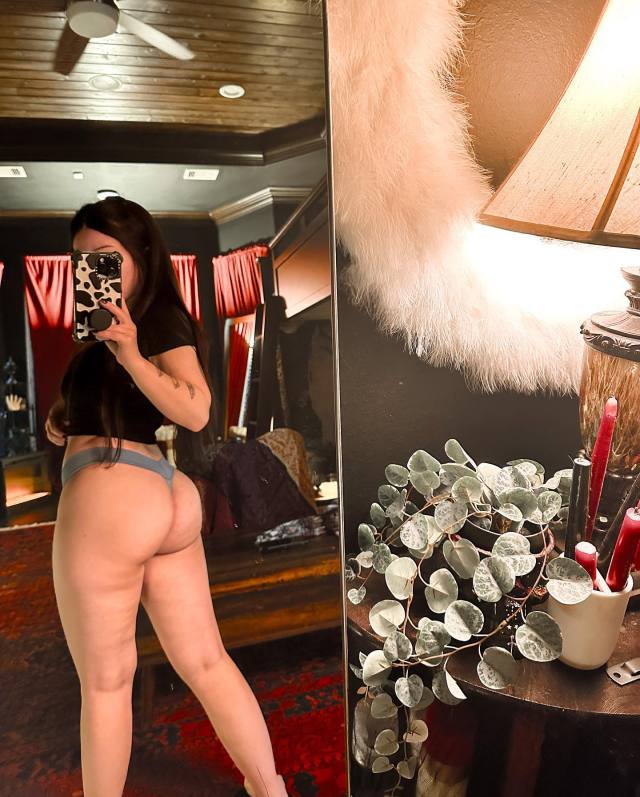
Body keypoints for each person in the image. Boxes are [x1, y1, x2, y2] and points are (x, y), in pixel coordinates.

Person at [46, 197, 288, 797]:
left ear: (141, 254)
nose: (90, 268)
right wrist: (65, 416)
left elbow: (196, 410)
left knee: (106, 683)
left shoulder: (152, 322)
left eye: (105, 257)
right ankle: (271, 791)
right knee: (206, 662)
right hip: (161, 495)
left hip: (113, 496)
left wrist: (129, 353)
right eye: (80, 258)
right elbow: (115, 407)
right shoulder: (115, 326)